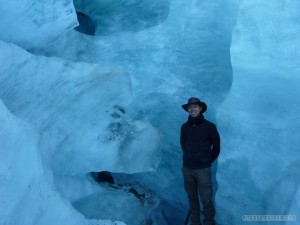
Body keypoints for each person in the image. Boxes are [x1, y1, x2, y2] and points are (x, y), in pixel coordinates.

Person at [180, 97, 220, 225]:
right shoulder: (184, 127)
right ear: (188, 110)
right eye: (190, 107)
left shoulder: (209, 127)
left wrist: (207, 161)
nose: (192, 109)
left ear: (201, 108)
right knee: (192, 199)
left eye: (195, 107)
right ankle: (195, 223)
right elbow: (183, 145)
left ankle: (209, 222)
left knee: (206, 200)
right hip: (187, 169)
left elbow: (216, 146)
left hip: (203, 170)